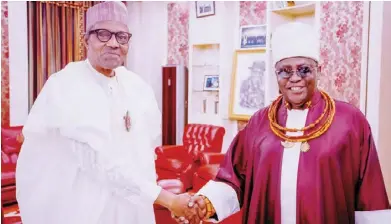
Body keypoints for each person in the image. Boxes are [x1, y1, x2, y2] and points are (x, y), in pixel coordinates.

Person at [174, 22, 391, 224]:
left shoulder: (350, 121)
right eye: (285, 70)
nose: (295, 77)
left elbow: (369, 193)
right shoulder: (259, 122)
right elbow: (233, 179)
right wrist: (205, 202)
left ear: (319, 71)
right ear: (276, 75)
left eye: (304, 69)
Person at [15, 2, 195, 224]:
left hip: (132, 207)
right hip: (85, 207)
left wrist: (163, 203)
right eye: (103, 34)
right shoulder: (66, 84)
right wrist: (168, 199)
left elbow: (145, 155)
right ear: (86, 39)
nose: (113, 43)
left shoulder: (136, 86)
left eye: (121, 36)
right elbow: (97, 161)